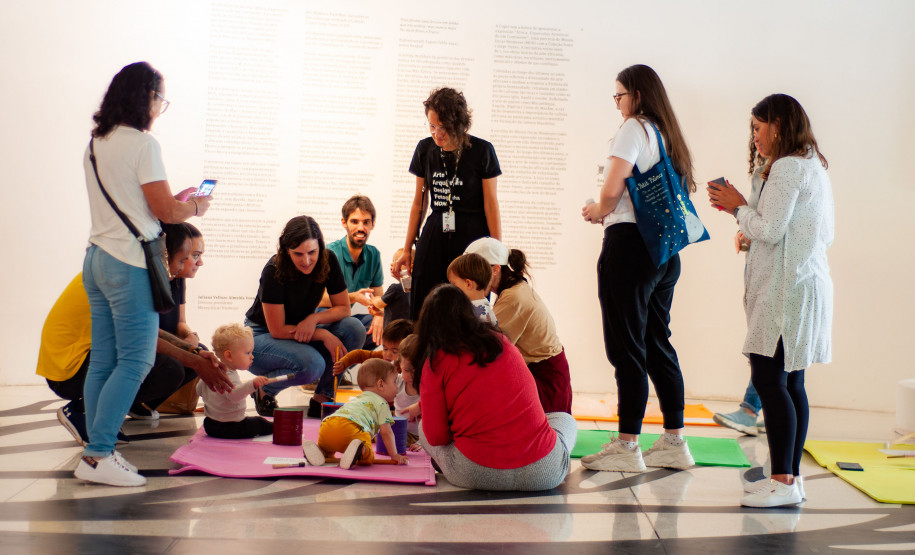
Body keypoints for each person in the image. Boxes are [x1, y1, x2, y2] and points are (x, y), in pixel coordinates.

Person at [77, 61, 231, 487]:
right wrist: (195, 207)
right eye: (159, 98)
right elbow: (165, 212)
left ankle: (95, 450)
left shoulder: (97, 142)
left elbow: (138, 204)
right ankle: (98, 455)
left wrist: (173, 201)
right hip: (128, 261)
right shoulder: (145, 145)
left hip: (96, 258)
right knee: (136, 359)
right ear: (144, 98)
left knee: (105, 361)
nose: (160, 107)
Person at [707, 93, 833, 508]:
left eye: (758, 128)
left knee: (769, 379)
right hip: (799, 285)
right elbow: (797, 230)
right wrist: (750, 227)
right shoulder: (810, 164)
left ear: (778, 126)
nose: (754, 136)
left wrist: (738, 209)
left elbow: (773, 228)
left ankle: (782, 480)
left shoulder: (788, 169)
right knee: (790, 381)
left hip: (786, 291)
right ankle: (789, 478)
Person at [580, 64, 696, 472]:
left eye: (619, 96)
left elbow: (611, 191)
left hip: (629, 247)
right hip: (663, 253)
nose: (617, 105)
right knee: (657, 343)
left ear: (637, 96)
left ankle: (628, 446)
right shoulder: (667, 135)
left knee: (626, 347)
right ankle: (674, 441)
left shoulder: (634, 128)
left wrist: (598, 209)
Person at [412, 284, 577, 491]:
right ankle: (557, 456)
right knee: (564, 419)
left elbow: (437, 437)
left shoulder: (435, 361)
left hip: (474, 472)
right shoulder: (502, 343)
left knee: (423, 429)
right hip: (544, 472)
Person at [394, 87, 502, 320]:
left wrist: (496, 251)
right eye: (432, 126)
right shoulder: (425, 149)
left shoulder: (482, 150)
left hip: (472, 235)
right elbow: (418, 203)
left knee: (468, 308)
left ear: (459, 123)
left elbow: (491, 204)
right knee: (424, 303)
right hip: (436, 230)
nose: (436, 133)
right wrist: (406, 248)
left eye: (442, 127)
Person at [244, 215, 365, 418]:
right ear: (286, 250)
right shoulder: (273, 270)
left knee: (354, 328)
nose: (306, 260)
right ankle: (265, 389)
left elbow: (344, 308)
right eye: (298, 254)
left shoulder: (329, 260)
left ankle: (323, 397)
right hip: (262, 335)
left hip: (301, 325)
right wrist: (323, 335)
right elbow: (278, 330)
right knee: (313, 365)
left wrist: (313, 319)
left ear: (320, 246)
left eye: (312, 252)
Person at [465, 237, 572, 414]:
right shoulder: (513, 289)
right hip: (543, 375)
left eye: (473, 271)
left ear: (495, 269)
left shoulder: (513, 298)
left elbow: (488, 348)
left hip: (544, 383)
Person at [301, 359, 409, 469]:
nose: (397, 387)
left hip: (328, 425)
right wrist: (394, 455)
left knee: (328, 450)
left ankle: (321, 451)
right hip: (350, 429)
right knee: (368, 457)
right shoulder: (382, 403)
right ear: (381, 384)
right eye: (395, 382)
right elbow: (386, 432)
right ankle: (360, 450)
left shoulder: (358, 398)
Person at [321, 195, 385, 348]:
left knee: (386, 324)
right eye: (355, 222)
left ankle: (340, 367)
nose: (361, 228)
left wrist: (380, 315)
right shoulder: (330, 253)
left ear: (373, 224)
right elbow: (319, 299)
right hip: (320, 319)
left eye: (366, 222)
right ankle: (336, 369)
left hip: (344, 318)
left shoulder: (373, 254)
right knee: (353, 326)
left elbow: (379, 296)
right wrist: (354, 297)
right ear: (344, 223)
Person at [196, 324, 273, 439]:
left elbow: (199, 390)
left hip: (210, 424)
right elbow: (234, 395)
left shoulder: (212, 373)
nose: (252, 357)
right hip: (230, 427)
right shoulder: (228, 375)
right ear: (229, 356)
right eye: (248, 353)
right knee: (260, 423)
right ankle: (276, 427)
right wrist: (253, 384)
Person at [332, 319, 415, 376]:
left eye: (394, 352)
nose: (388, 354)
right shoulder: (382, 356)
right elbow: (359, 354)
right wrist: (344, 363)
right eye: (385, 349)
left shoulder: (411, 365)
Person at [447, 253, 496, 324]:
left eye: (453, 284)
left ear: (468, 284)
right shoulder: (486, 307)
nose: (450, 288)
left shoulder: (467, 314)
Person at [372, 248, 413, 329]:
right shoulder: (413, 289)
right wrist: (383, 313)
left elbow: (379, 303)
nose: (392, 263)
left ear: (411, 267)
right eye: (393, 260)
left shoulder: (395, 288)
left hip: (393, 333)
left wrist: (373, 299)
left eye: (397, 261)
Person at [394, 334, 422, 449]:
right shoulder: (397, 382)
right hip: (400, 432)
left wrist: (422, 443)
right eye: (407, 370)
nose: (412, 376)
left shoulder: (429, 388)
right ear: (400, 365)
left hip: (421, 437)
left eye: (417, 371)